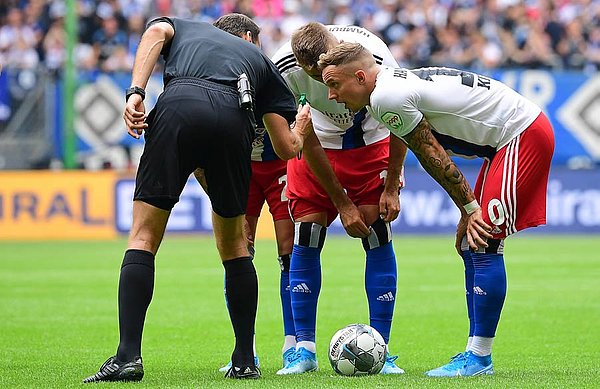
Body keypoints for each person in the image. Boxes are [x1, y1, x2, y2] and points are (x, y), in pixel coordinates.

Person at [82, 15, 312, 382]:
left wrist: (136, 93)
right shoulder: (263, 65)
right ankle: (244, 360)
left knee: (143, 237)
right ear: (250, 37)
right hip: (234, 116)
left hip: (178, 105)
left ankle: (127, 357)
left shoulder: (190, 27)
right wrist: (300, 129)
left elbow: (155, 32)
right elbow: (286, 149)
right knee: (237, 246)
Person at [318, 42, 554, 377]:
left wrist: (471, 208)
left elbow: (433, 156)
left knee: (484, 239)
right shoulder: (389, 86)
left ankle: (479, 358)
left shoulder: (386, 96)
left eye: (334, 85)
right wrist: (466, 209)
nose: (331, 96)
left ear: (359, 76)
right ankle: (475, 354)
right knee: (470, 244)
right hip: (504, 141)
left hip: (521, 134)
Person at [271, 23, 408, 375]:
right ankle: (303, 350)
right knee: (307, 234)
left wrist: (391, 184)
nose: (324, 85)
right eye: (314, 76)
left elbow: (403, 118)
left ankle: (382, 348)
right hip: (317, 147)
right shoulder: (282, 67)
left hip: (372, 142)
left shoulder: (376, 55)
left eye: (328, 75)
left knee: (376, 231)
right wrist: (342, 203)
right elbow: (306, 136)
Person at [197, 13, 297, 372]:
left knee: (290, 251)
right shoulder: (211, 76)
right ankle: (246, 349)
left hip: (280, 170)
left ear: (250, 39)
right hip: (240, 172)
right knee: (239, 254)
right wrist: (218, 192)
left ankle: (294, 346)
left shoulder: (276, 71)